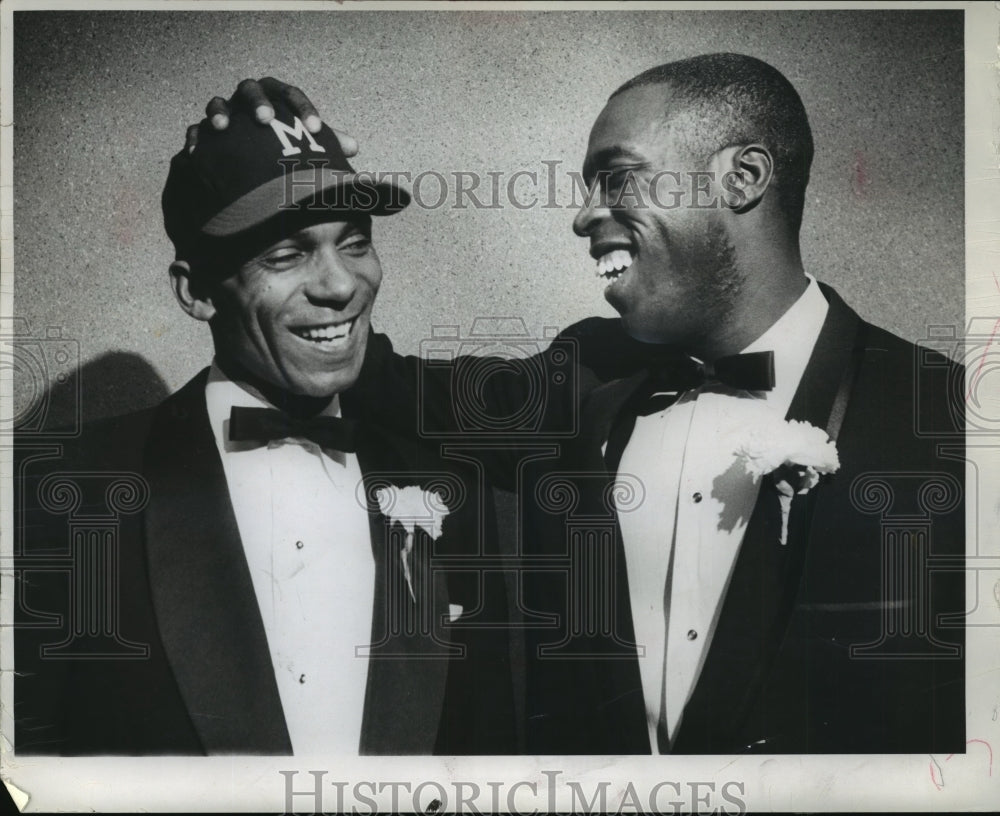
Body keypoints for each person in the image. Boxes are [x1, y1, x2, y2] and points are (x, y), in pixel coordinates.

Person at [184, 51, 965, 754]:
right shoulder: (587, 372)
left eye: (616, 176)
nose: (585, 213)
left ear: (744, 177)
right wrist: (276, 151)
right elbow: (376, 376)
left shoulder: (942, 418)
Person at [13, 94, 514, 755]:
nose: (339, 285)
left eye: (356, 242)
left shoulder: (455, 477)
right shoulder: (67, 491)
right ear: (195, 292)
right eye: (286, 255)